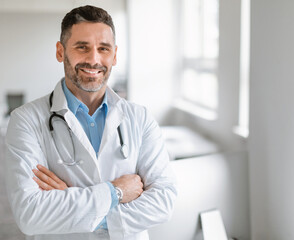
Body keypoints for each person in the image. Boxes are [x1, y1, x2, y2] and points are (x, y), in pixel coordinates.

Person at [5, 5, 177, 240]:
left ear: (114, 55)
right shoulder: (26, 120)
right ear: (60, 51)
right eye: (82, 47)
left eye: (103, 49)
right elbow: (30, 214)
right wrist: (115, 193)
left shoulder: (140, 118)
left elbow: (163, 202)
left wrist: (79, 211)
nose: (94, 59)